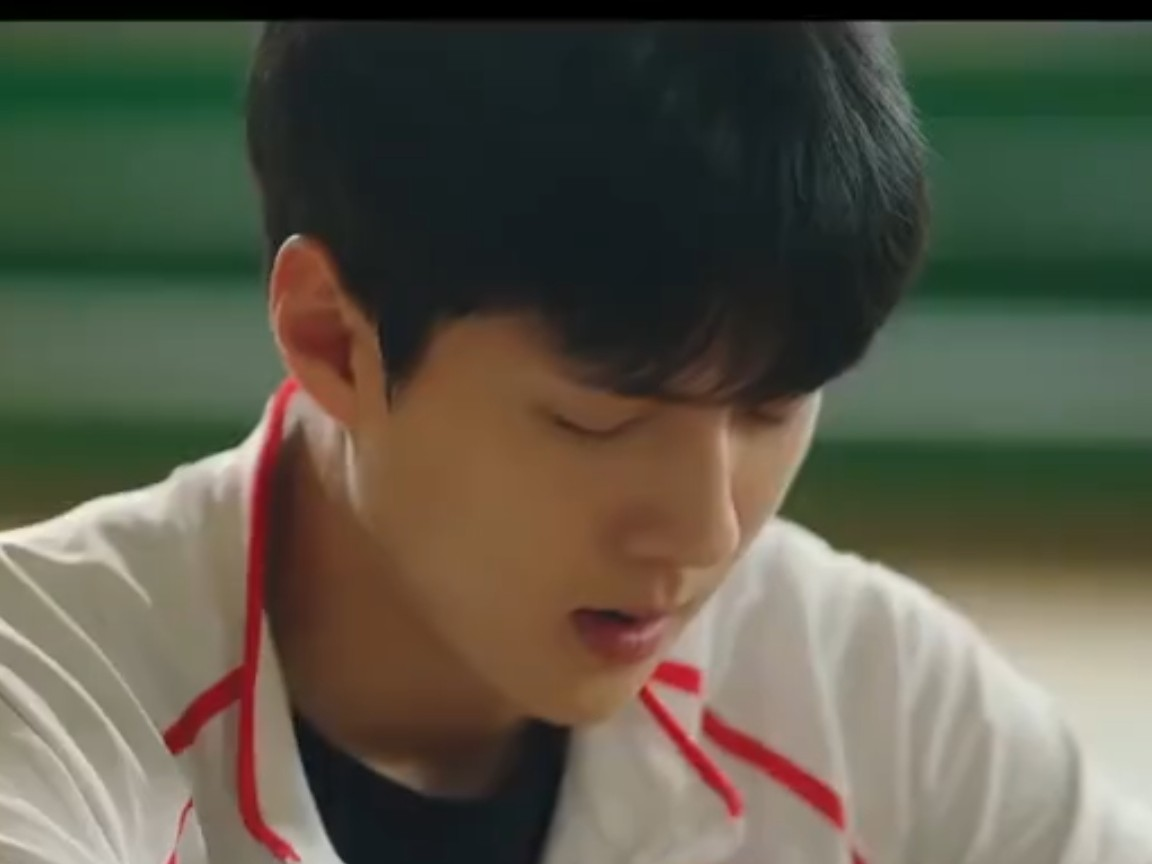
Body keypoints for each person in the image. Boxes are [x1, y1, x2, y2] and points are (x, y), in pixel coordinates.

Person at [1, 21, 1149, 864]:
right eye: (600, 420)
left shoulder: (878, 713)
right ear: (333, 340)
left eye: (772, 407)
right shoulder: (43, 699)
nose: (706, 531)